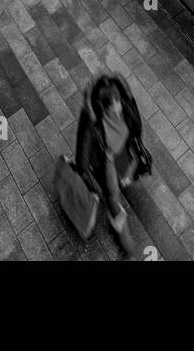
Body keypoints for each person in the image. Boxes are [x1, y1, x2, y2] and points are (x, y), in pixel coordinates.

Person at [74, 74, 150, 258]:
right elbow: (83, 159)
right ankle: (127, 243)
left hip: (116, 161)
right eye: (113, 105)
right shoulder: (107, 114)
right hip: (115, 161)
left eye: (118, 103)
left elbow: (82, 163)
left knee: (118, 195)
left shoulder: (116, 111)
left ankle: (127, 244)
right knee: (115, 197)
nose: (117, 109)